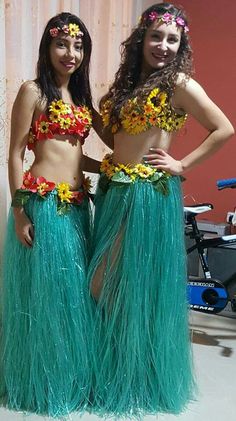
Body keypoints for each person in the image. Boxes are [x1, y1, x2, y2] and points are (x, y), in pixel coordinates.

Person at [88, 2, 234, 418]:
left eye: (173, 39)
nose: (164, 46)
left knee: (119, 283)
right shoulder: (130, 83)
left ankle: (134, 375)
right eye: (157, 36)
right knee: (111, 283)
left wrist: (182, 164)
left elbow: (223, 127)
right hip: (116, 189)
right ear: (142, 38)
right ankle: (118, 367)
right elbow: (116, 136)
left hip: (148, 194)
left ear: (181, 44)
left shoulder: (179, 83)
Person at [0, 12, 98, 417]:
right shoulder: (32, 92)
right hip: (41, 207)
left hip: (76, 208)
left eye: (78, 46)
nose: (70, 53)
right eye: (62, 44)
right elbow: (15, 154)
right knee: (44, 299)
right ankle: (38, 380)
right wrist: (20, 211)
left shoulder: (79, 97)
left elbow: (76, 156)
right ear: (47, 48)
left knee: (73, 297)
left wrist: (113, 168)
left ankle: (67, 377)